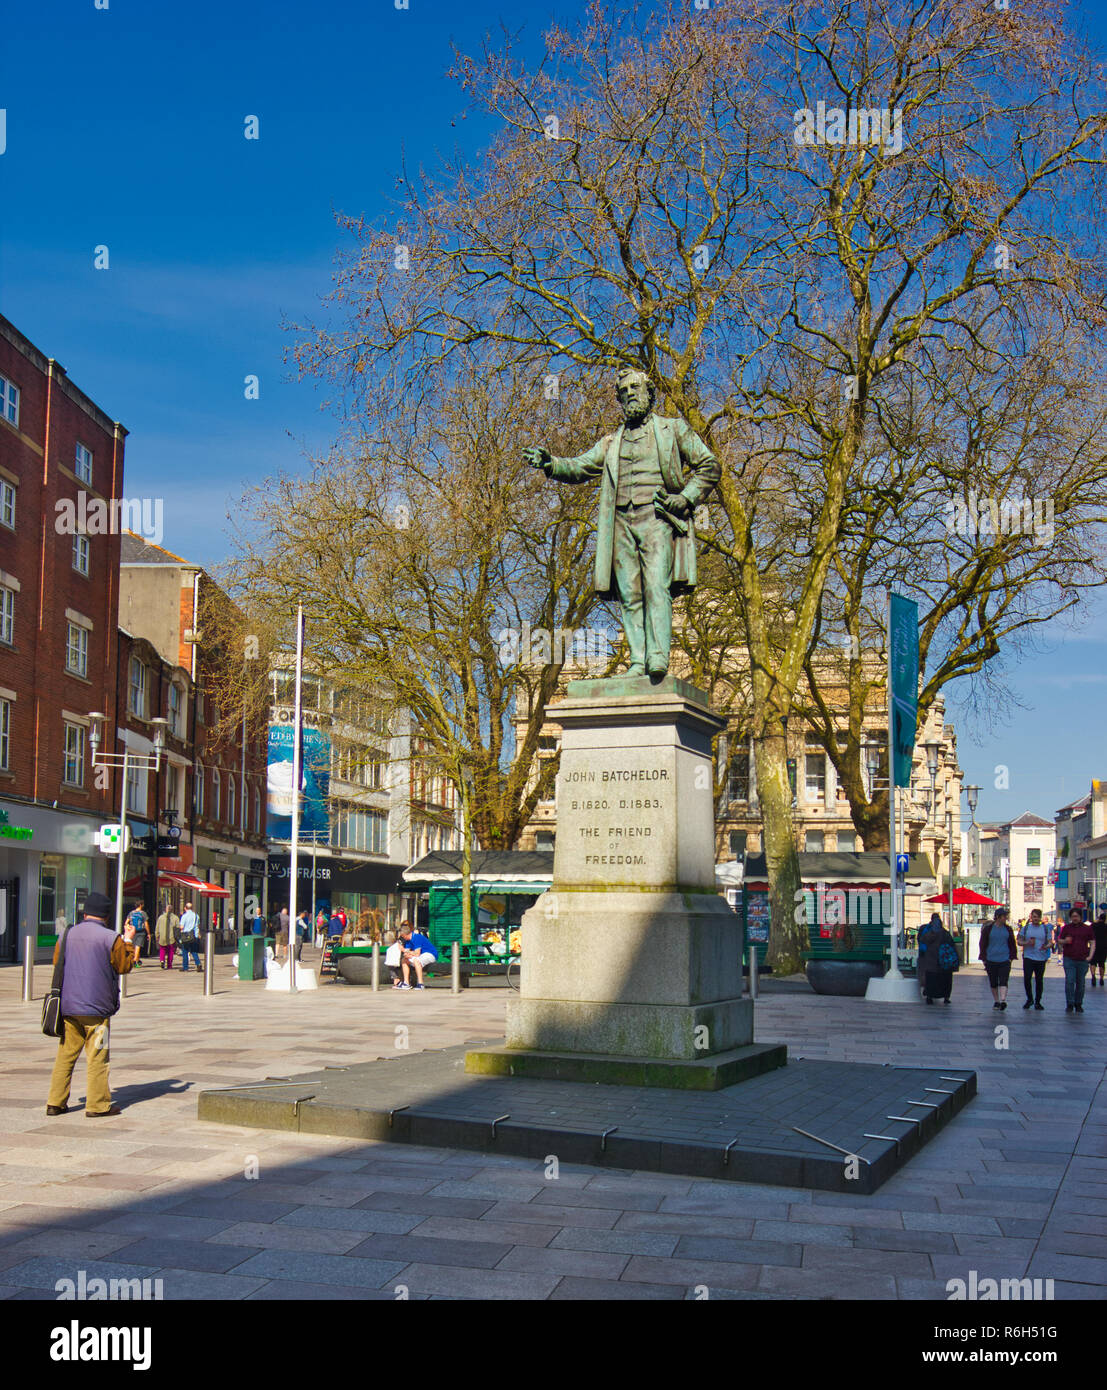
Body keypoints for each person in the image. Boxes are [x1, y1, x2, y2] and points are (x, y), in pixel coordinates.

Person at [45, 891, 135, 1118]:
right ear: (106, 915)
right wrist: (129, 940)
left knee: (65, 1055)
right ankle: (97, 1105)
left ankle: (55, 1102)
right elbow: (124, 966)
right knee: (98, 1057)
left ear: (85, 912)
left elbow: (58, 963)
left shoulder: (68, 934)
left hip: (68, 1008)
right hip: (97, 1010)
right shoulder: (111, 938)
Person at [1058, 906, 1095, 1013]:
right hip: (1069, 958)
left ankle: (1078, 1003)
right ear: (1070, 917)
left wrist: (1090, 956)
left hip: (1082, 959)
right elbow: (1059, 940)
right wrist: (1065, 941)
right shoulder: (1066, 928)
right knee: (1070, 981)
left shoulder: (1087, 929)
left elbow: (1092, 942)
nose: (1075, 918)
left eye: (1077, 916)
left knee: (1081, 983)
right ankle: (1070, 1003)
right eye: (1073, 916)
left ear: (1080, 917)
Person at [979, 906, 1017, 1010]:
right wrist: (984, 958)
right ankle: (996, 1001)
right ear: (998, 917)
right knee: (993, 982)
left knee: (1004, 980)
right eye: (1004, 916)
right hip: (991, 959)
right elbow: (983, 943)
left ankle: (1003, 1000)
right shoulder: (988, 929)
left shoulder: (1008, 929)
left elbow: (1012, 943)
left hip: (1005, 959)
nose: (1006, 918)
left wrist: (1011, 957)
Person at [917, 912, 956, 1004]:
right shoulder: (945, 933)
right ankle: (946, 997)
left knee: (931, 979)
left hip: (930, 961)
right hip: (943, 961)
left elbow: (921, 940)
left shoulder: (927, 932)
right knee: (945, 980)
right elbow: (951, 944)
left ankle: (929, 997)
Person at [1018, 907, 1052, 1010]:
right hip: (1028, 957)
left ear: (1040, 918)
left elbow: (1050, 942)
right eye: (1033, 917)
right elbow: (1019, 941)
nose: (1035, 919)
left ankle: (1038, 1001)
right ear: (1031, 917)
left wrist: (1046, 946)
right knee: (1027, 978)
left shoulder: (1045, 929)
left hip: (1041, 958)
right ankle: (1029, 999)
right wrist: (1026, 943)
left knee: (1039, 980)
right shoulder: (1026, 928)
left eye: (1037, 917)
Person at [397, 921, 437, 990]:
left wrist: (404, 950)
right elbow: (408, 952)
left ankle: (420, 984)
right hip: (421, 954)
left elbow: (417, 953)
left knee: (416, 961)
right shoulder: (408, 941)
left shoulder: (416, 937)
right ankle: (406, 983)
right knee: (404, 960)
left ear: (404, 935)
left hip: (430, 954)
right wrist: (407, 954)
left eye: (401, 935)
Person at [178, 902, 202, 972]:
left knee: (185, 951)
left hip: (185, 936)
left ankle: (185, 967)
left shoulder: (184, 916)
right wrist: (198, 934)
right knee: (194, 951)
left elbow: (181, 927)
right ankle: (198, 963)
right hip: (194, 935)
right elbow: (197, 926)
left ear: (185, 908)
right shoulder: (196, 916)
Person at [155, 904, 180, 969]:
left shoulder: (160, 917)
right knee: (170, 951)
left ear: (166, 910)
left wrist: (157, 935)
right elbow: (178, 928)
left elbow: (157, 928)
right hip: (172, 938)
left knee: (162, 949)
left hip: (162, 937)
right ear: (172, 910)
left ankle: (162, 960)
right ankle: (169, 965)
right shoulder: (176, 918)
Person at [1089, 911, 1107, 988]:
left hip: (1094, 945)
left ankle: (1093, 975)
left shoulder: (1093, 925)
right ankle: (1101, 978)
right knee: (1101, 963)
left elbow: (1088, 935)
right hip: (1103, 947)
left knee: (1093, 962)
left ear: (1099, 918)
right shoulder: (1106, 926)